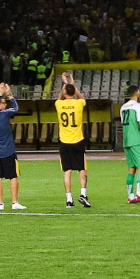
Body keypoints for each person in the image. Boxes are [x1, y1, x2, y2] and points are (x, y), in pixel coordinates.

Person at [55, 72, 90, 208]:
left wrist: (65, 83)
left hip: (64, 141)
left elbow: (59, 97)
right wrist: (73, 86)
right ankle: (83, 194)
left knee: (67, 170)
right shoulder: (79, 103)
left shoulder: (59, 104)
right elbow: (82, 98)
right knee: (82, 168)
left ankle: (69, 199)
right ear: (73, 92)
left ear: (64, 93)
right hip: (77, 140)